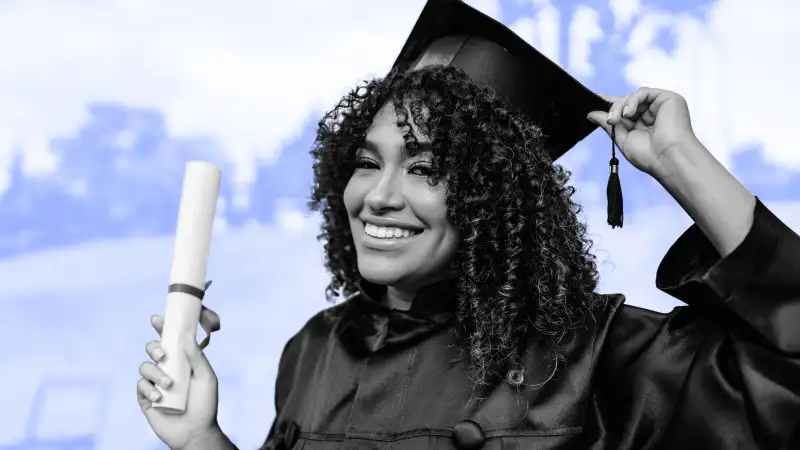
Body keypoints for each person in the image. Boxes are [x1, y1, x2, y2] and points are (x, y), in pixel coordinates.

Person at [136, 0, 800, 449]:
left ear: (497, 197)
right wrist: (202, 438)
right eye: (367, 163)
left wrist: (681, 161)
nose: (380, 196)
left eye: (427, 169)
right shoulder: (314, 349)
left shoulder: (600, 354)